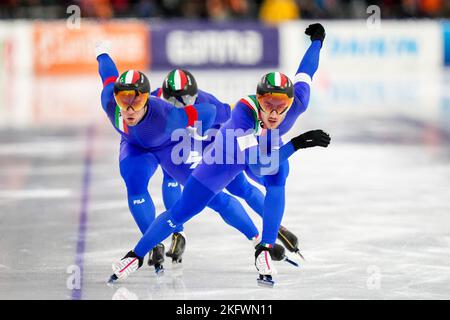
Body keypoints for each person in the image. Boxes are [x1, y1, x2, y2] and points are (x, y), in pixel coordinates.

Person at [110, 23, 330, 286]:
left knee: (277, 179)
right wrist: (295, 144)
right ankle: (134, 256)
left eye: (280, 106)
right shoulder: (243, 113)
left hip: (249, 146)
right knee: (182, 211)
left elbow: (305, 72)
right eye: (266, 105)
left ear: (291, 104)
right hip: (226, 154)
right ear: (257, 99)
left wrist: (317, 41)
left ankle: (264, 248)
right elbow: (257, 166)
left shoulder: (300, 100)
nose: (272, 113)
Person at [152, 69, 302, 264]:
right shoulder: (154, 99)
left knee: (238, 189)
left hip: (217, 149)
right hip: (185, 148)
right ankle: (178, 233)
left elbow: (238, 116)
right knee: (173, 179)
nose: (182, 105)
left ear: (196, 95)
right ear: (163, 95)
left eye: (188, 99)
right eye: (174, 101)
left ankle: (267, 231)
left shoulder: (209, 104)